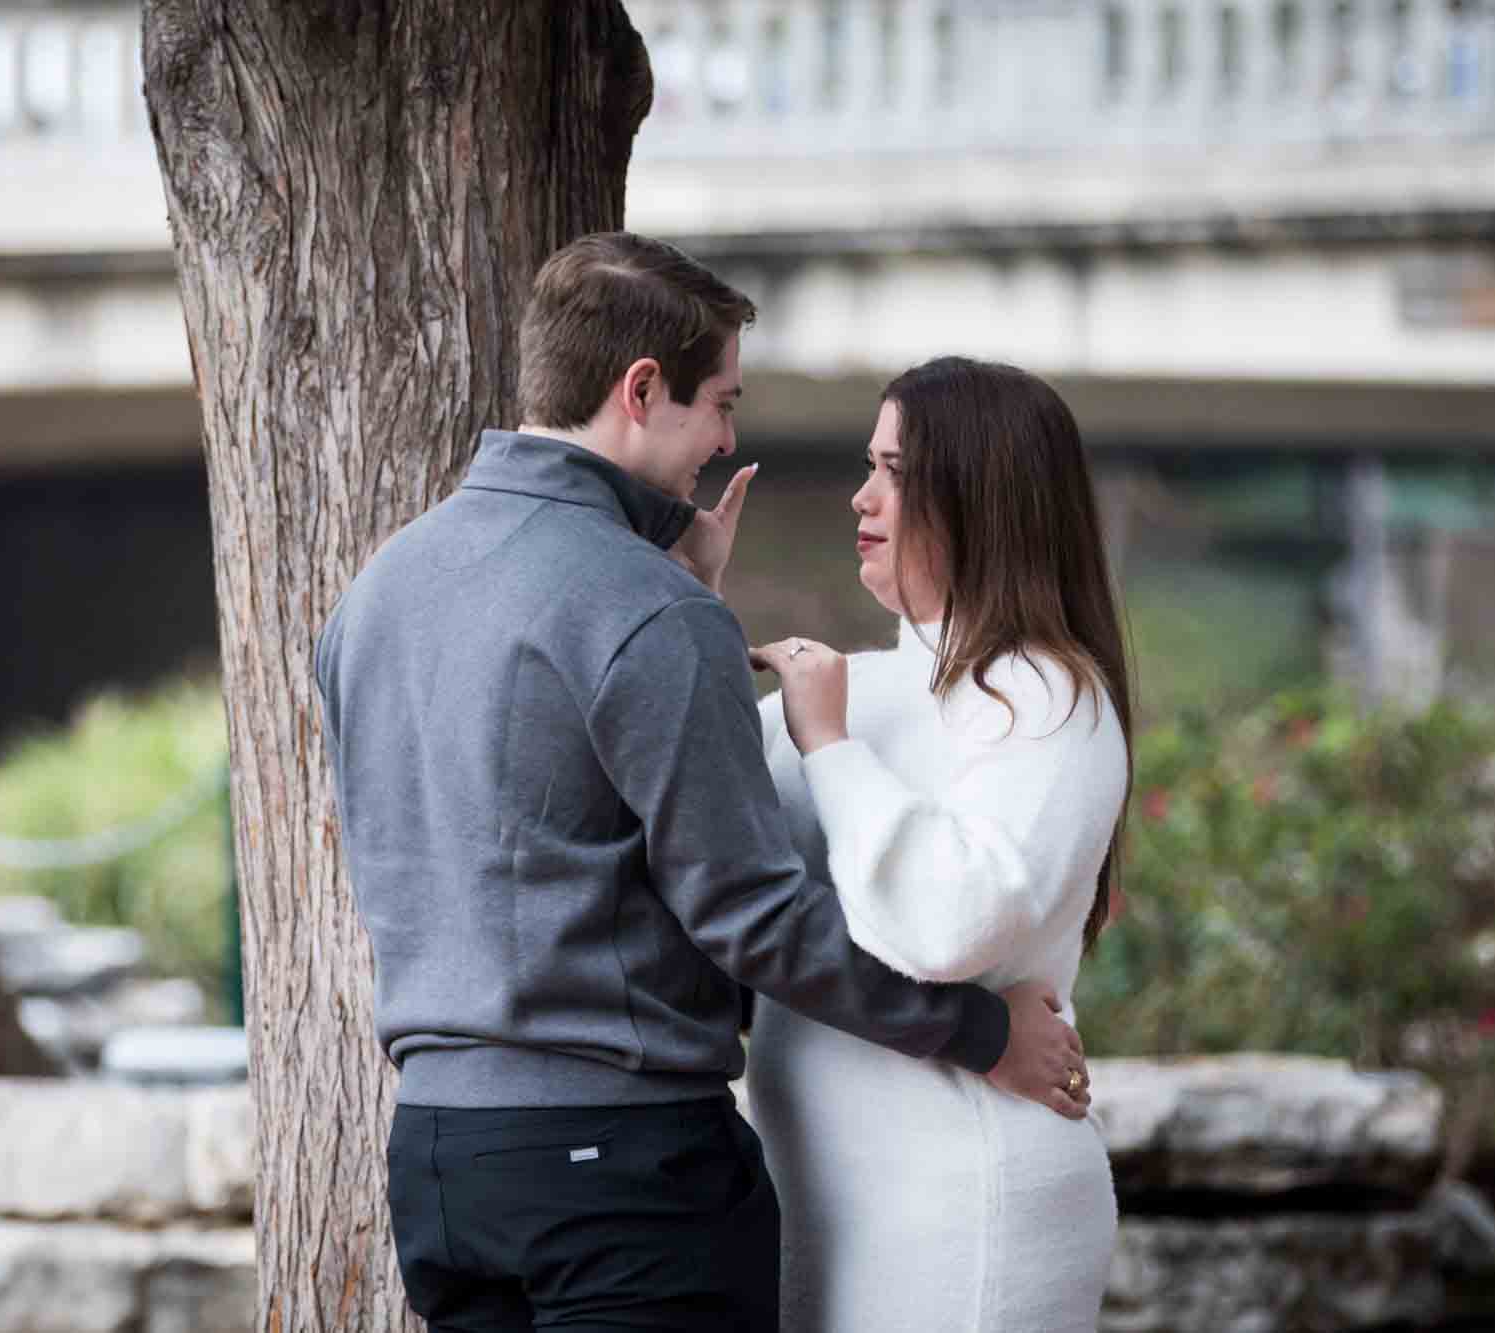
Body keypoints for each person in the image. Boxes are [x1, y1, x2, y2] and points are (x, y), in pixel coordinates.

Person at [313, 236, 1092, 1333]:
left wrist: (672, 597)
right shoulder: (648, 613)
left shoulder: (378, 591)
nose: (727, 437)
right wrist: (978, 1032)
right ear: (640, 389)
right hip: (622, 1174)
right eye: (718, 401)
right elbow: (752, 916)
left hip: (440, 1163)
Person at [742, 357, 1133, 1331]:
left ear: (978, 495)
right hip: (818, 1194)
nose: (858, 495)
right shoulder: (855, 686)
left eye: (893, 471)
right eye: (865, 464)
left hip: (965, 1206)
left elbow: (944, 926)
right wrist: (682, 597)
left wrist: (828, 749)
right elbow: (707, 879)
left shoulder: (1043, 698)